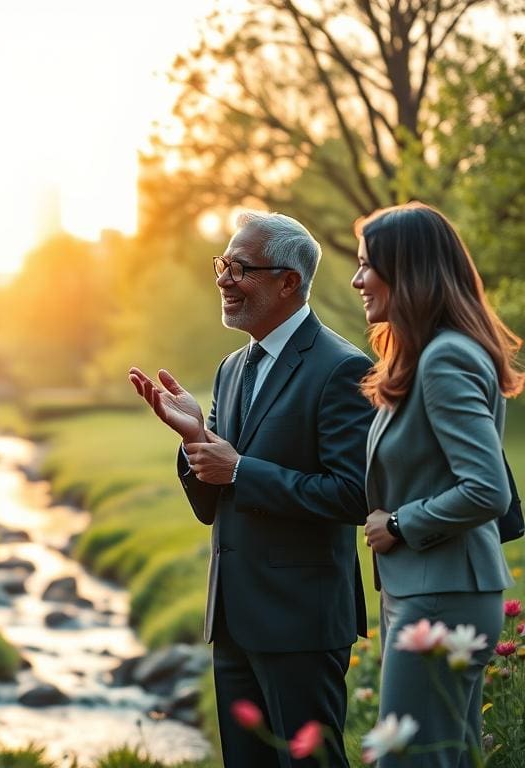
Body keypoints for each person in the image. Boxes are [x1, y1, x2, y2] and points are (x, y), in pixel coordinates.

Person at [130, 210, 373, 767]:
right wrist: (194, 436)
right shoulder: (231, 368)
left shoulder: (341, 368)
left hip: (301, 624)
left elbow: (352, 495)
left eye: (240, 268)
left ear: (288, 281)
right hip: (234, 619)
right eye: (222, 265)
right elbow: (214, 502)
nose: (222, 279)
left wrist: (240, 469)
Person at [354, 202, 521, 767]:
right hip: (427, 590)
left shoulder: (445, 358)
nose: (357, 281)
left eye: (366, 266)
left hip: (442, 594)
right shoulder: (424, 355)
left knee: (407, 761)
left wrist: (400, 523)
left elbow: (486, 489)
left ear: (408, 270)